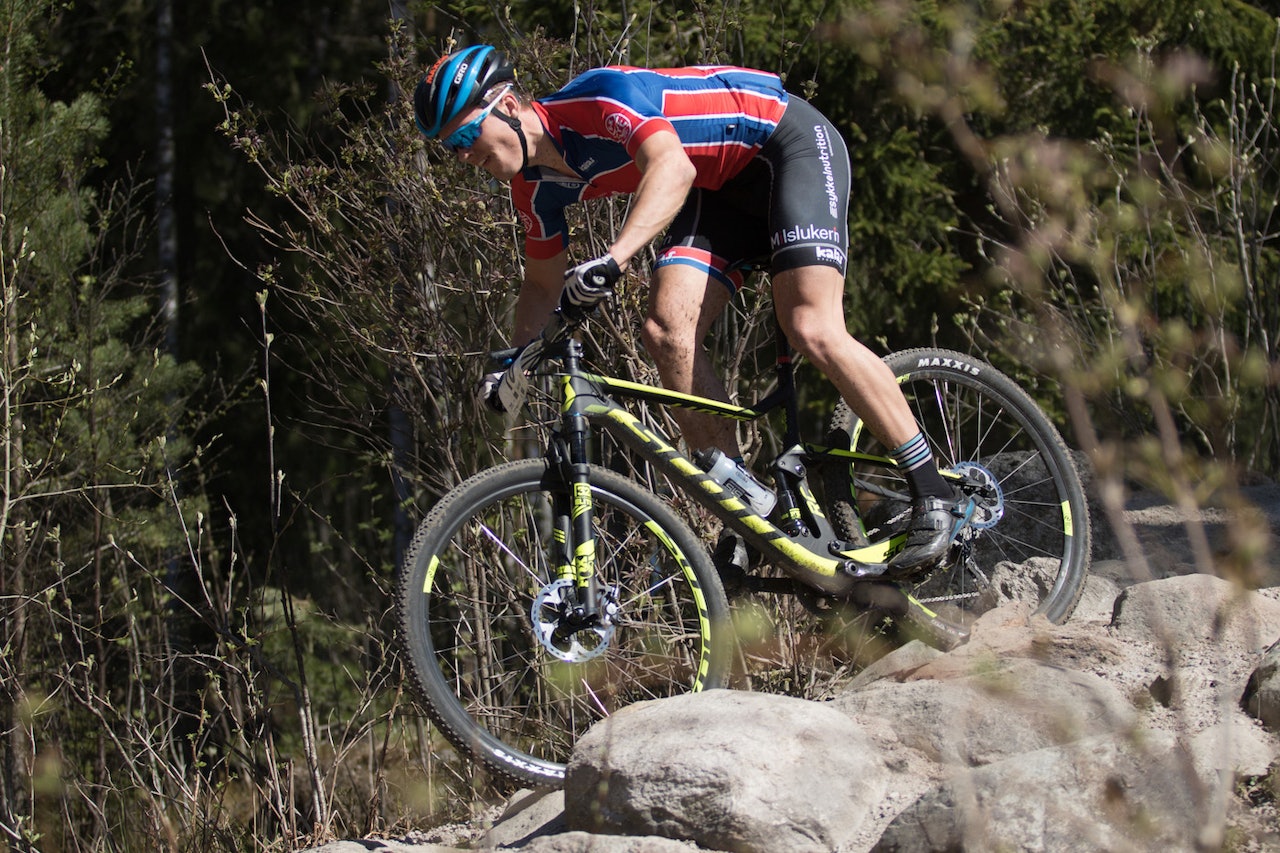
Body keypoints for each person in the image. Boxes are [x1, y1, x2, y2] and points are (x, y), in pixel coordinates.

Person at [413, 44, 974, 576]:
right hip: (717, 189)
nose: (464, 155)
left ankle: (935, 490)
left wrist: (615, 257)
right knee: (665, 330)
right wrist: (515, 360)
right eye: (450, 148)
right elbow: (540, 286)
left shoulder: (597, 99)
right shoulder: (533, 192)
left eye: (465, 134)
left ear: (508, 106)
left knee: (811, 325)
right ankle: (750, 513)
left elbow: (672, 168)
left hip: (783, 144)